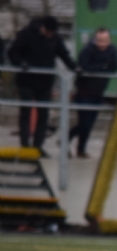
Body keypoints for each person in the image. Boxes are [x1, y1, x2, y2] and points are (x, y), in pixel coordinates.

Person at [7, 16, 76, 154]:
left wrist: (75, 67)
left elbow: (64, 55)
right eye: (48, 32)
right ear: (42, 28)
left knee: (43, 115)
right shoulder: (26, 34)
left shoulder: (55, 38)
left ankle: (38, 146)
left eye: (52, 33)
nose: (50, 35)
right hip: (26, 81)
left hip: (45, 82)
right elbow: (13, 52)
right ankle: (25, 146)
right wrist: (21, 63)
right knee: (25, 113)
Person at [68, 27, 117, 159]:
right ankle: (67, 138)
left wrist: (102, 68)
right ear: (95, 39)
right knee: (84, 123)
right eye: (100, 40)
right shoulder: (87, 50)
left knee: (89, 124)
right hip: (84, 92)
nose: (102, 44)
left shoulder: (112, 50)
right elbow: (85, 67)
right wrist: (102, 66)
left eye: (105, 41)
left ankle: (81, 149)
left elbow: (114, 67)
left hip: (98, 92)